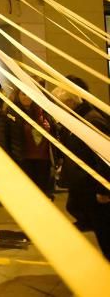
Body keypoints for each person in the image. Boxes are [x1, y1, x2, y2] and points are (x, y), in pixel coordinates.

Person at [54, 82, 110, 258]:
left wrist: (104, 189)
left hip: (95, 187)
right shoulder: (79, 119)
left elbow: (104, 156)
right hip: (86, 185)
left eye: (59, 104)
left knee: (105, 231)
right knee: (97, 226)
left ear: (70, 103)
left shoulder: (92, 120)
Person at [0, 88, 53, 197]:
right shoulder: (10, 113)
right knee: (27, 193)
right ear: (17, 95)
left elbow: (53, 132)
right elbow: (3, 137)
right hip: (22, 159)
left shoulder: (43, 111)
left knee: (42, 194)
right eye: (23, 94)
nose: (27, 97)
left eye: (29, 94)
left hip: (43, 161)